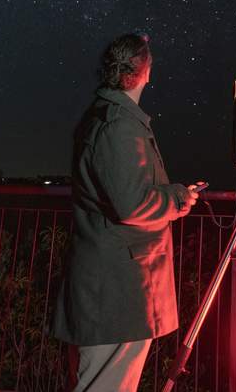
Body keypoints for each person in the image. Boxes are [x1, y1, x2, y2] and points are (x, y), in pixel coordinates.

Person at [51, 33, 200, 392]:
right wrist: (178, 198)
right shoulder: (117, 125)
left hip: (115, 288)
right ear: (145, 70)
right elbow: (132, 203)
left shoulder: (110, 116)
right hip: (117, 291)